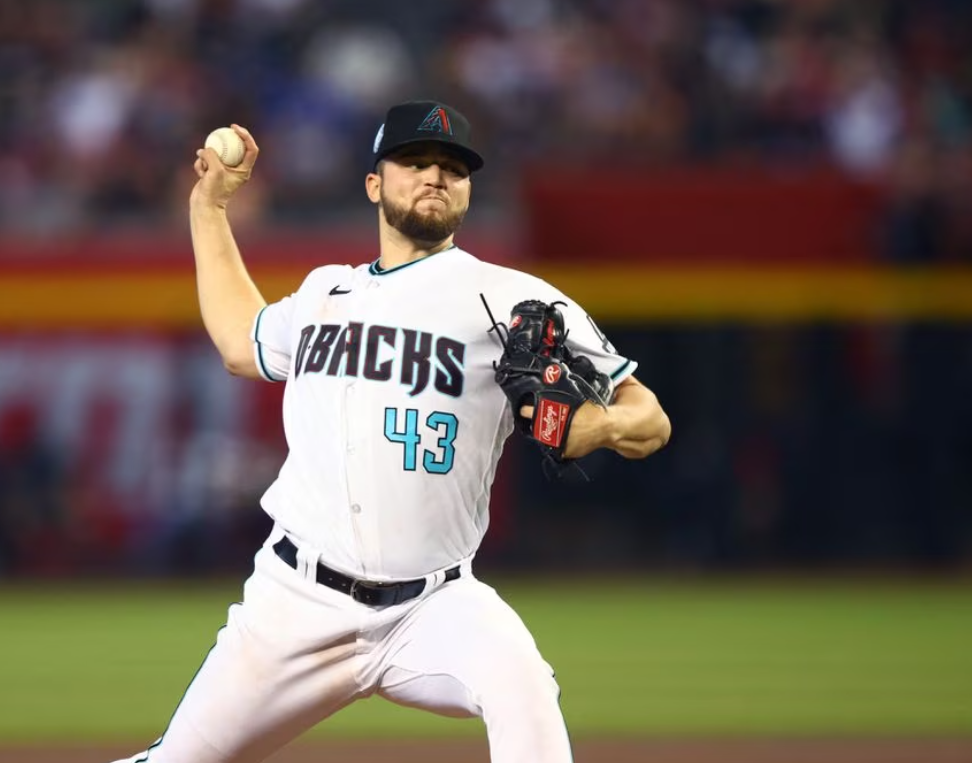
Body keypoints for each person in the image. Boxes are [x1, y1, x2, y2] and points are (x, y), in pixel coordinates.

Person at [111, 100, 670, 763]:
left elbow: (650, 418)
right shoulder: (324, 293)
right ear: (375, 183)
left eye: (452, 168)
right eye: (414, 162)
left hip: (433, 605)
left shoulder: (513, 298)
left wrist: (593, 425)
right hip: (294, 601)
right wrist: (208, 210)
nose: (434, 176)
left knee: (524, 689)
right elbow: (241, 341)